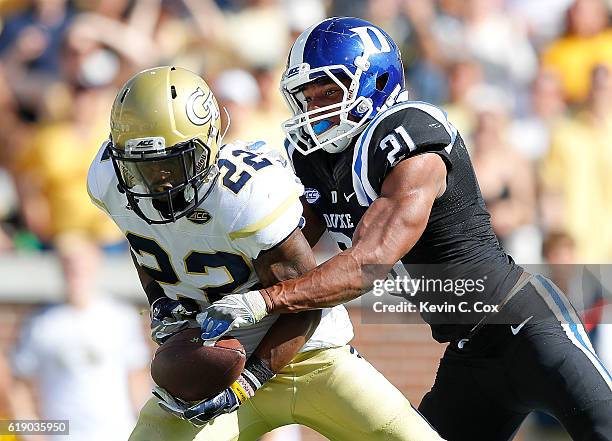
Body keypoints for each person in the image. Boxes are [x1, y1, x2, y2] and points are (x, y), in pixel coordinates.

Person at [199, 17, 612, 441]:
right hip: (469, 353)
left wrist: (264, 301)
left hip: (526, 323)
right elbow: (289, 256)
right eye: (307, 96)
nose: (315, 109)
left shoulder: (410, 134)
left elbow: (368, 264)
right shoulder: (315, 159)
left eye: (329, 91)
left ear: (375, 82)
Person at [87, 66, 444, 441]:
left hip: (310, 354)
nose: (158, 182)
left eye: (170, 164)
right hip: (216, 356)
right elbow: (145, 242)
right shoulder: (110, 181)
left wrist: (250, 381)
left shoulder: (245, 194)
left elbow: (308, 302)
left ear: (206, 145)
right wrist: (160, 299)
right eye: (140, 168)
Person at [10, 233, 150, 441]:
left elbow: (137, 380)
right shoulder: (41, 322)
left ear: (96, 261)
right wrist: (31, 433)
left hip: (117, 434)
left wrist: (145, 430)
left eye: (81, 262)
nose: (76, 270)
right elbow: (17, 385)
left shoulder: (121, 318)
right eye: (69, 262)